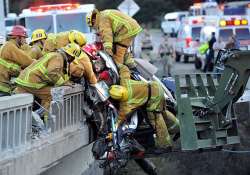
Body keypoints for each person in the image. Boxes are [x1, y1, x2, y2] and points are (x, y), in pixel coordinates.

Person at [109, 64, 179, 149]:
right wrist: (117, 64)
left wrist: (114, 129)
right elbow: (124, 68)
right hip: (156, 87)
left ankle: (166, 145)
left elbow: (121, 118)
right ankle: (177, 127)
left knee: (156, 122)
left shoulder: (126, 103)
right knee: (163, 112)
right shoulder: (124, 82)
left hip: (154, 99)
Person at [14, 43, 82, 118]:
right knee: (53, 94)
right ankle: (42, 118)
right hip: (32, 83)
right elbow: (52, 72)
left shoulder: (54, 55)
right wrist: (63, 82)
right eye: (73, 58)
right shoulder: (58, 57)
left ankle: (36, 118)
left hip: (24, 81)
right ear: (71, 56)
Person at [0, 25, 34, 96]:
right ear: (18, 37)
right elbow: (28, 61)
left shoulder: (7, 45)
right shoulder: (11, 47)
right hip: (2, 88)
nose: (25, 40)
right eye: (24, 38)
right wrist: (42, 62)